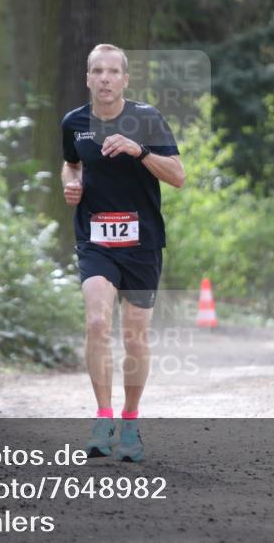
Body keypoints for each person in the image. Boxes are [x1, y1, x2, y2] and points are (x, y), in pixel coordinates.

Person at [60, 44, 185, 462]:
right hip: (95, 239)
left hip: (141, 242)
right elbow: (71, 163)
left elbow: (179, 176)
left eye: (114, 71)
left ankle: (130, 421)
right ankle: (102, 417)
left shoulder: (146, 119)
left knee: (134, 335)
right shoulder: (73, 123)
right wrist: (71, 183)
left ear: (125, 80)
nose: (106, 78)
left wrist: (140, 151)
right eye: (98, 71)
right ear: (88, 79)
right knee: (97, 321)